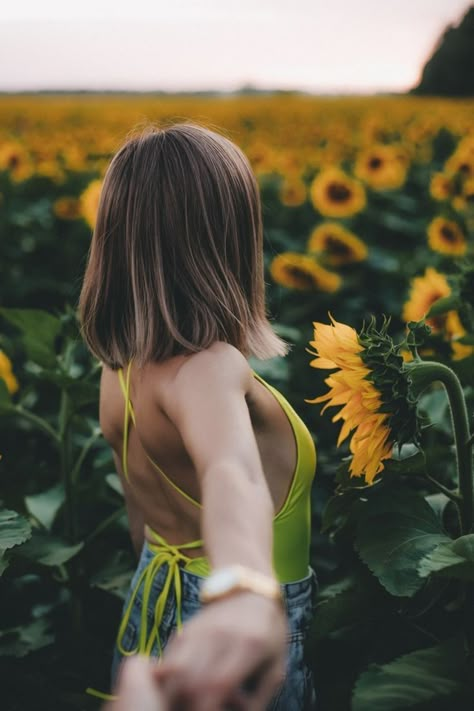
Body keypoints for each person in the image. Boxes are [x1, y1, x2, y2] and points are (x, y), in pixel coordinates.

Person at [79, 122, 318, 710]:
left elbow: (142, 518)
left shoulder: (121, 368)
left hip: (151, 612)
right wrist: (243, 589)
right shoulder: (207, 368)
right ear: (229, 238)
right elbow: (230, 472)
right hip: (234, 631)